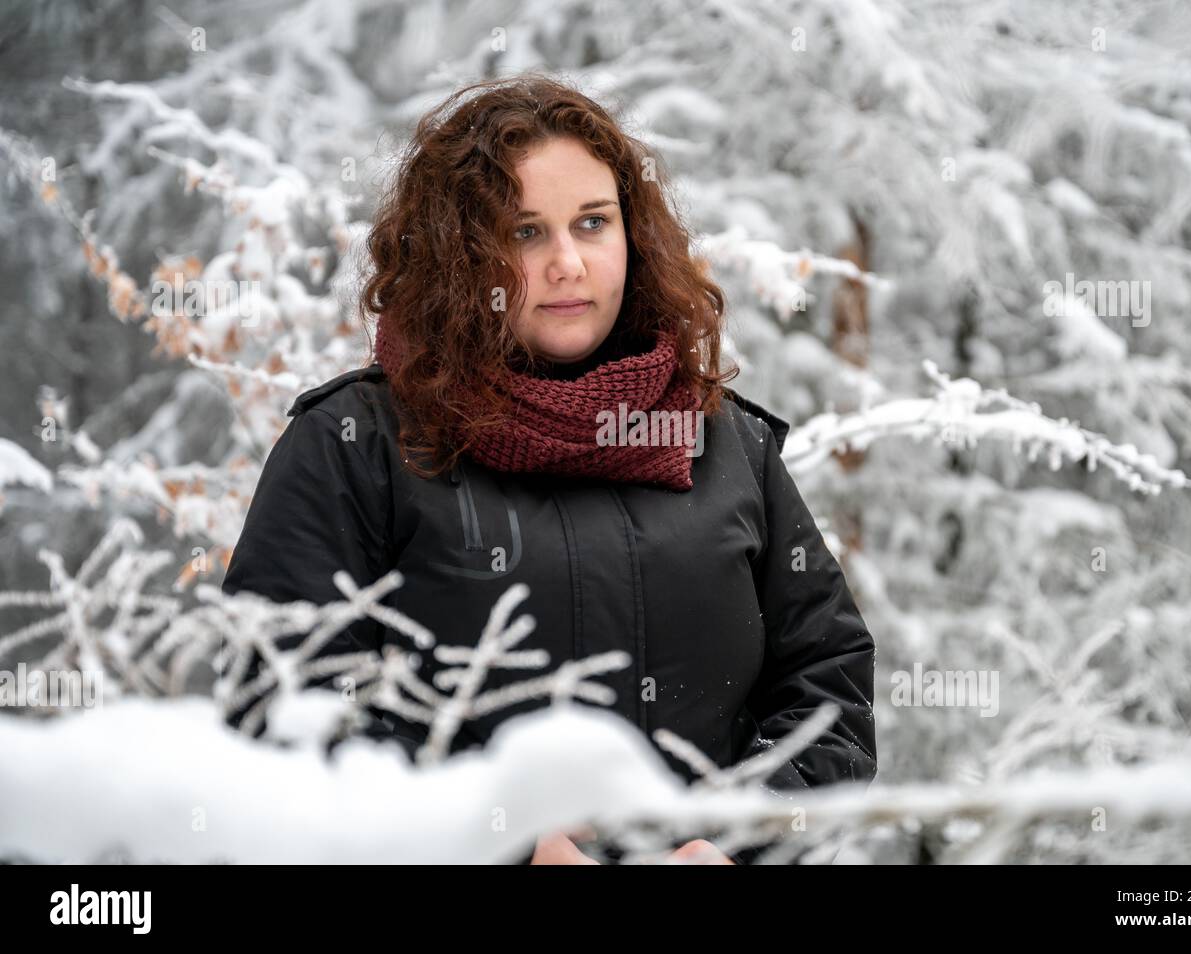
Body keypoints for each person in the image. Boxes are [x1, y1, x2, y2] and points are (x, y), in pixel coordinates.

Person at [221, 74, 877, 865]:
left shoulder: (724, 441)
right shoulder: (353, 445)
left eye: (592, 223)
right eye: (525, 233)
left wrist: (741, 844)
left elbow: (826, 681)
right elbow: (283, 712)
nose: (568, 262)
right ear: (459, 255)